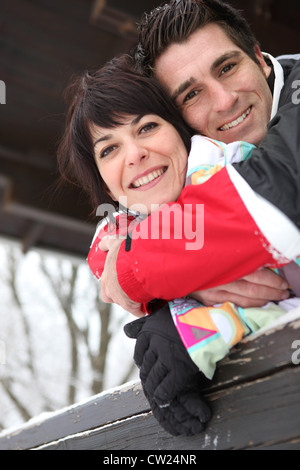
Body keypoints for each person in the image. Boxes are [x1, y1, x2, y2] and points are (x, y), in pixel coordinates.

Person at [58, 56, 298, 435]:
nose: (134, 154)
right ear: (105, 186)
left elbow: (282, 293)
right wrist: (184, 288)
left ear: (181, 130)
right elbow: (104, 250)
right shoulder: (127, 230)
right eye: (109, 150)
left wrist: (183, 329)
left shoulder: (235, 167)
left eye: (147, 127)